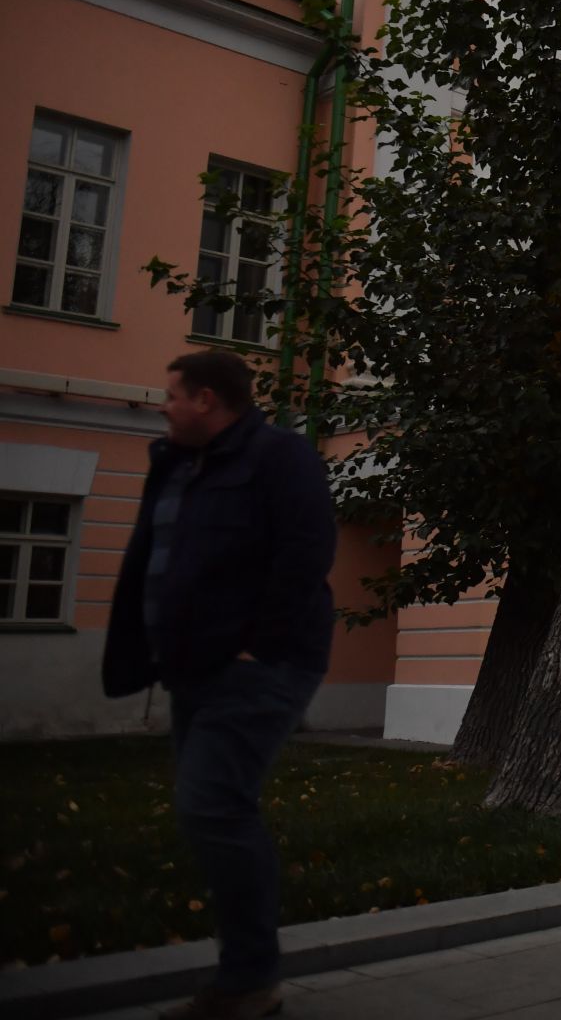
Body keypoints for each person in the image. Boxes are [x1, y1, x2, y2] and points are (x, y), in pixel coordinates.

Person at [102, 351, 336, 1020]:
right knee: (210, 810)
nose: (163, 406)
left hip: (261, 666)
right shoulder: (178, 464)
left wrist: (254, 646)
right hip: (191, 668)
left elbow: (305, 551)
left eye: (171, 395)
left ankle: (249, 982)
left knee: (213, 807)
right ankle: (245, 975)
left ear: (206, 399)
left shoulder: (279, 457)